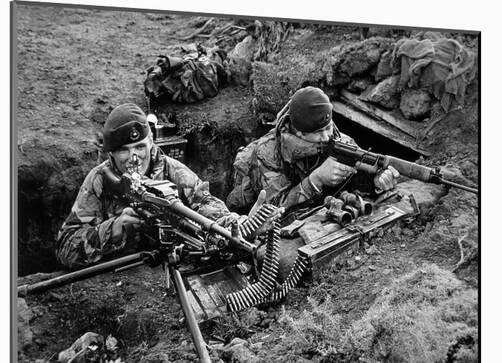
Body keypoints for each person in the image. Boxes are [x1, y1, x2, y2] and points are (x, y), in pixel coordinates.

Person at [57, 103, 268, 269]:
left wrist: (241, 224)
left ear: (151, 143)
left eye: (140, 147)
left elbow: (206, 207)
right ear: (110, 153)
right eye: (124, 150)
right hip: (120, 275)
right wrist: (114, 229)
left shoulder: (174, 171)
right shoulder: (100, 180)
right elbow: (66, 249)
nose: (133, 158)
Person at [226, 86, 400, 213]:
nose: (326, 137)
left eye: (329, 127)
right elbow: (271, 210)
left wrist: (376, 181)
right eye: (318, 133)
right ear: (299, 132)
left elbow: (358, 180)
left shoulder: (341, 141)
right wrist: (316, 180)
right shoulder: (267, 153)